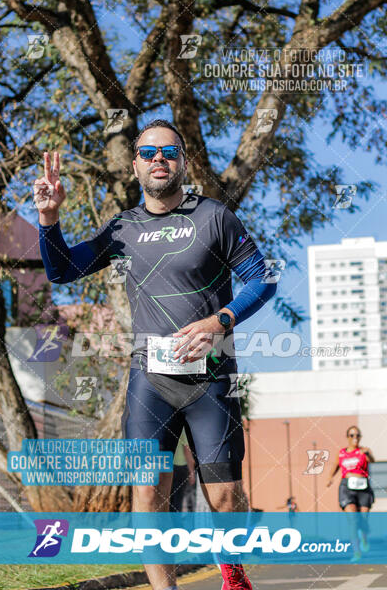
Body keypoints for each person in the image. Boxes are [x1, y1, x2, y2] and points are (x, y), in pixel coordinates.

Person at [36, 119, 277, 590]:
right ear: (135, 166)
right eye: (148, 153)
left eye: (169, 151)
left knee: (225, 496)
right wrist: (49, 219)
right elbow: (63, 270)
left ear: (183, 161)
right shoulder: (123, 228)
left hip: (211, 377)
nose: (158, 159)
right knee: (148, 493)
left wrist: (219, 321)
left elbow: (263, 279)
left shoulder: (214, 217)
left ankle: (233, 574)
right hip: (150, 381)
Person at [327, 425, 375, 561]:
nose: (355, 438)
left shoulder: (364, 451)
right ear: (347, 437)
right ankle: (356, 552)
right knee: (353, 520)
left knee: (363, 519)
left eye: (357, 435)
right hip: (347, 488)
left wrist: (368, 455)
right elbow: (336, 466)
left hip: (363, 487)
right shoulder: (342, 452)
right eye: (352, 435)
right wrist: (330, 478)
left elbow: (372, 461)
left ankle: (364, 539)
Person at [169, 428, 196, 512]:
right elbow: (186, 450)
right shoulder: (182, 428)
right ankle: (176, 523)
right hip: (180, 467)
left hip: (167, 467)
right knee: (177, 501)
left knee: (168, 501)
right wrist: (191, 472)